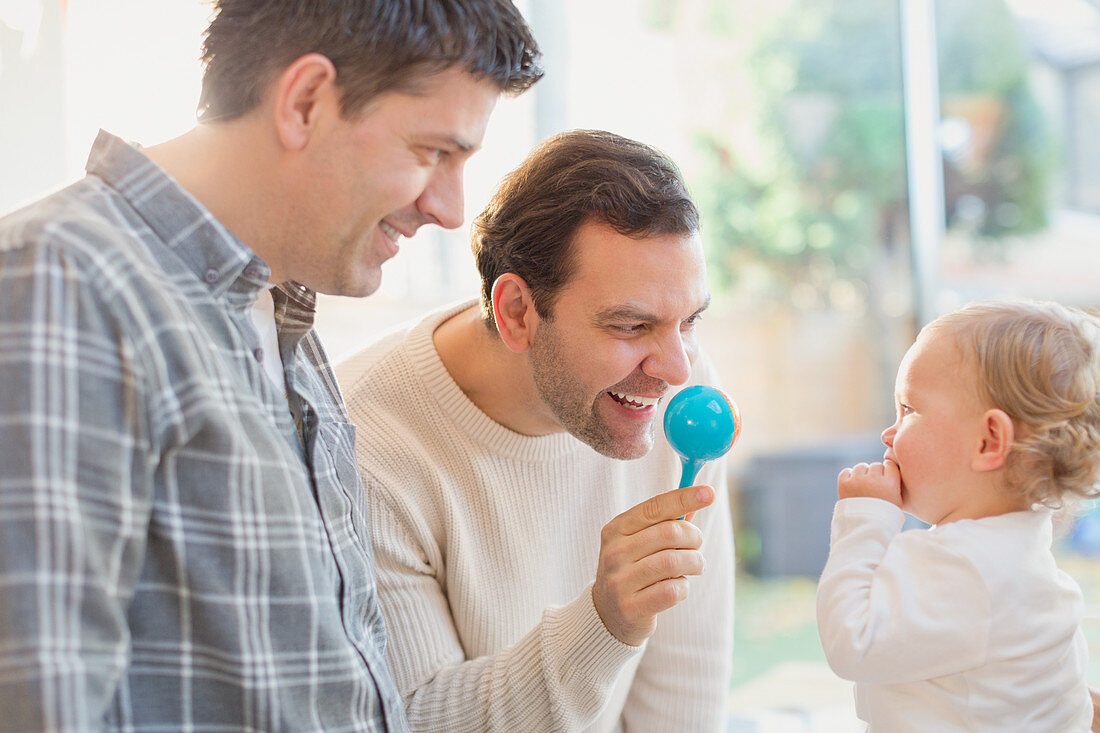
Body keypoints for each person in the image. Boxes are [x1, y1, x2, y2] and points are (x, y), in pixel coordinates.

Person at [0, 1, 541, 730]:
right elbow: (40, 703)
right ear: (306, 101)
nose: (449, 209)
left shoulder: (280, 314)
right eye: (432, 152)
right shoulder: (63, 284)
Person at [336, 129, 735, 732]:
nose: (676, 368)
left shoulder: (679, 399)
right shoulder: (365, 449)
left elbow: (686, 683)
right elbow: (416, 720)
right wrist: (604, 623)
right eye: (631, 326)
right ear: (517, 312)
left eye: (690, 321)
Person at [816, 300, 1100, 731]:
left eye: (909, 410)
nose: (888, 433)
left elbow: (852, 642)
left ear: (989, 441)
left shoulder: (966, 564)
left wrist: (864, 519)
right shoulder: (1016, 555)